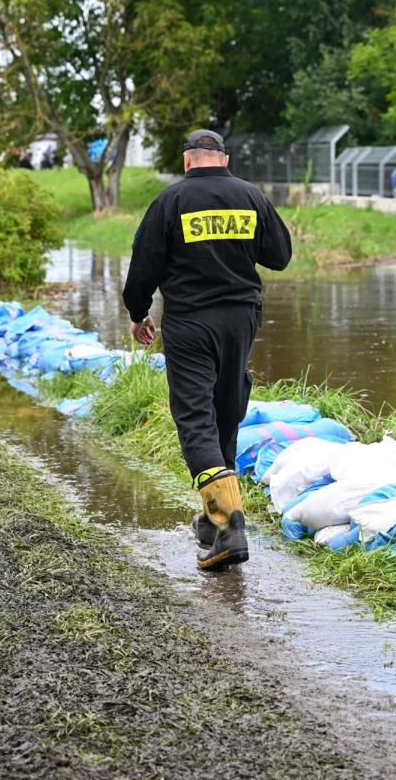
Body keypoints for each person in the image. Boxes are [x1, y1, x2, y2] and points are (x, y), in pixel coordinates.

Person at [122, 129, 292, 570]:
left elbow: (143, 265)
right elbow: (279, 255)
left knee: (195, 416)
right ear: (225, 158)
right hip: (241, 320)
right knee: (225, 407)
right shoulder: (250, 196)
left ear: (187, 162)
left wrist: (139, 312)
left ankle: (228, 524)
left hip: (191, 322)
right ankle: (214, 518)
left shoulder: (170, 201)